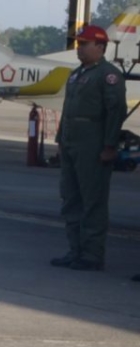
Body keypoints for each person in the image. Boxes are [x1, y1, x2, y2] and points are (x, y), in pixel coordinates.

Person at [51, 23, 126, 272]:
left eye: (84, 44)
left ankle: (92, 255)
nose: (79, 49)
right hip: (72, 142)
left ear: (100, 47)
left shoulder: (109, 75)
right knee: (71, 198)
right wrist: (61, 140)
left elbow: (116, 112)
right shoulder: (77, 74)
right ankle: (75, 251)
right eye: (79, 44)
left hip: (93, 143)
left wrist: (109, 145)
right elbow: (68, 110)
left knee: (92, 201)